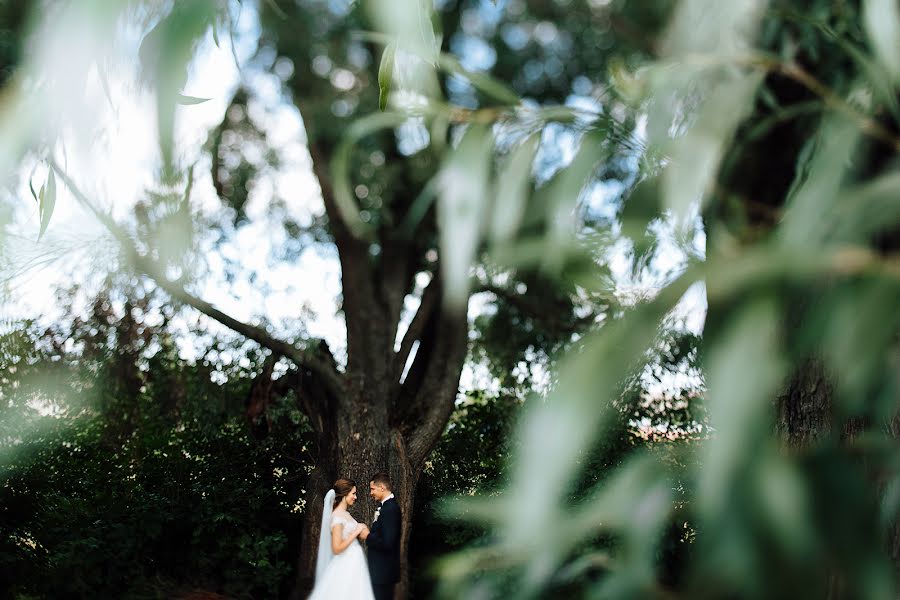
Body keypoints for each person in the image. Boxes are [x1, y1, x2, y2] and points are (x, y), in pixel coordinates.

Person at [309, 478, 375, 600]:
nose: (355, 497)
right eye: (353, 493)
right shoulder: (337, 517)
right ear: (345, 494)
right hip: (346, 563)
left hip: (355, 562)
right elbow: (336, 548)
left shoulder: (347, 515)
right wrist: (356, 531)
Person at [359, 472, 401, 600]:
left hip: (383, 572)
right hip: (379, 571)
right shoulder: (383, 507)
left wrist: (367, 536)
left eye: (372, 489)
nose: (371, 493)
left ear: (382, 487)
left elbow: (388, 543)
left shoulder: (390, 509)